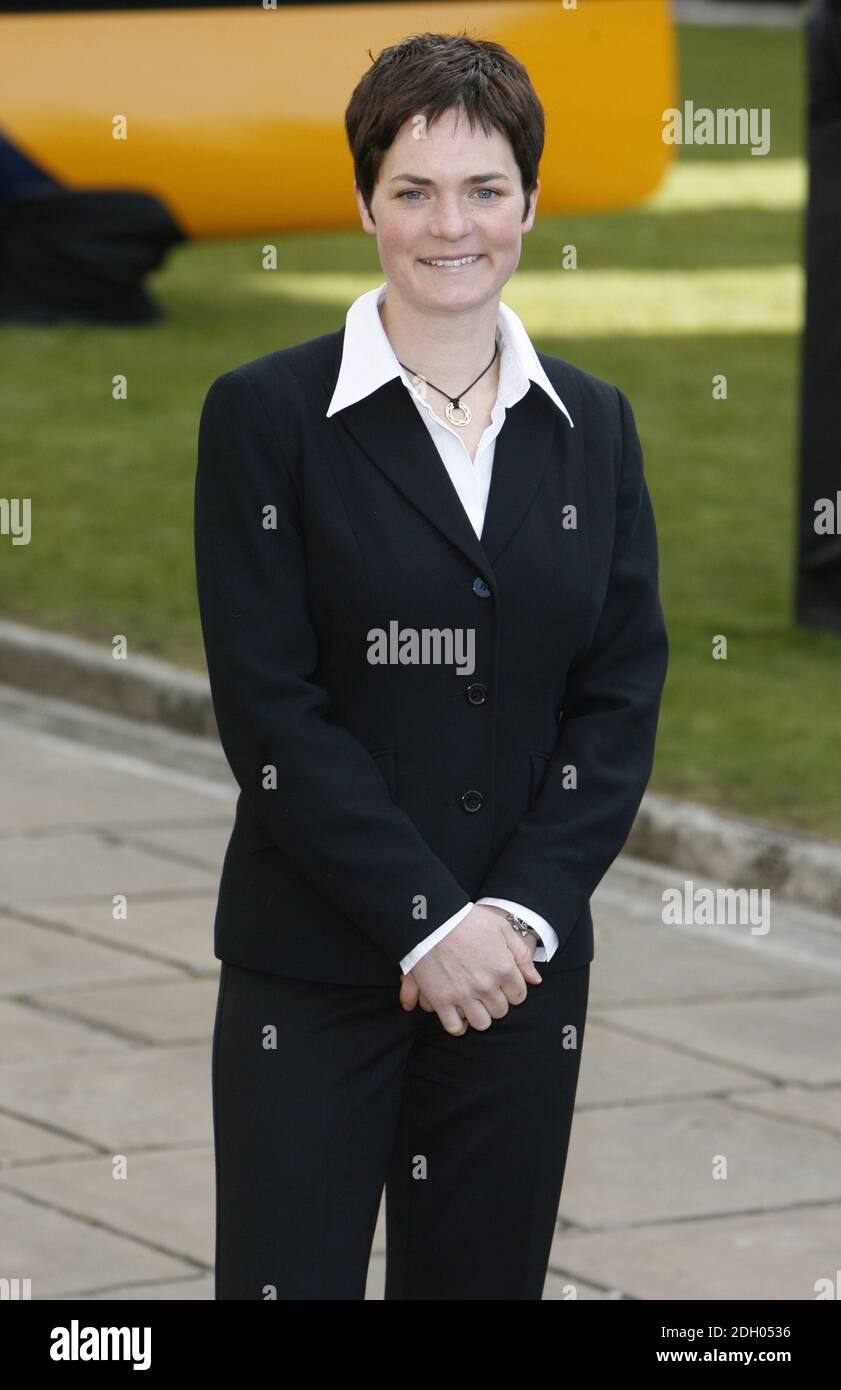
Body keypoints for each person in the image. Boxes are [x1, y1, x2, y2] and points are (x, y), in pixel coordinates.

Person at [194, 30, 669, 1301]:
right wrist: (427, 922)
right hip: (316, 966)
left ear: (528, 203)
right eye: (412, 189)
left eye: (483, 189)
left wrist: (512, 917)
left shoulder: (595, 426)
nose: (449, 225)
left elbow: (618, 697)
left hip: (519, 974)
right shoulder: (265, 415)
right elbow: (270, 707)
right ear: (364, 203)